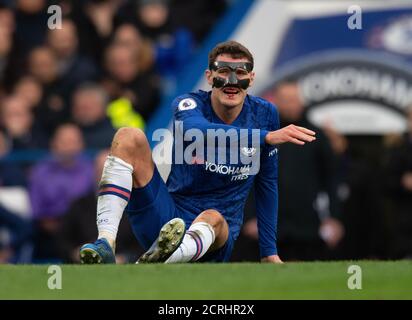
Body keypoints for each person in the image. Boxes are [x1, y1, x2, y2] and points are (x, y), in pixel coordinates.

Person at [80, 41, 316, 264]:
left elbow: (267, 184)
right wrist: (263, 137)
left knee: (213, 215)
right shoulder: (188, 104)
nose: (231, 81)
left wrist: (269, 253)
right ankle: (105, 243)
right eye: (223, 72)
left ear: (251, 78)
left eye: (240, 73)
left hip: (214, 236)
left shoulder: (265, 114)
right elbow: (197, 130)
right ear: (209, 76)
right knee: (128, 136)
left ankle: (161, 259)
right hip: (167, 221)